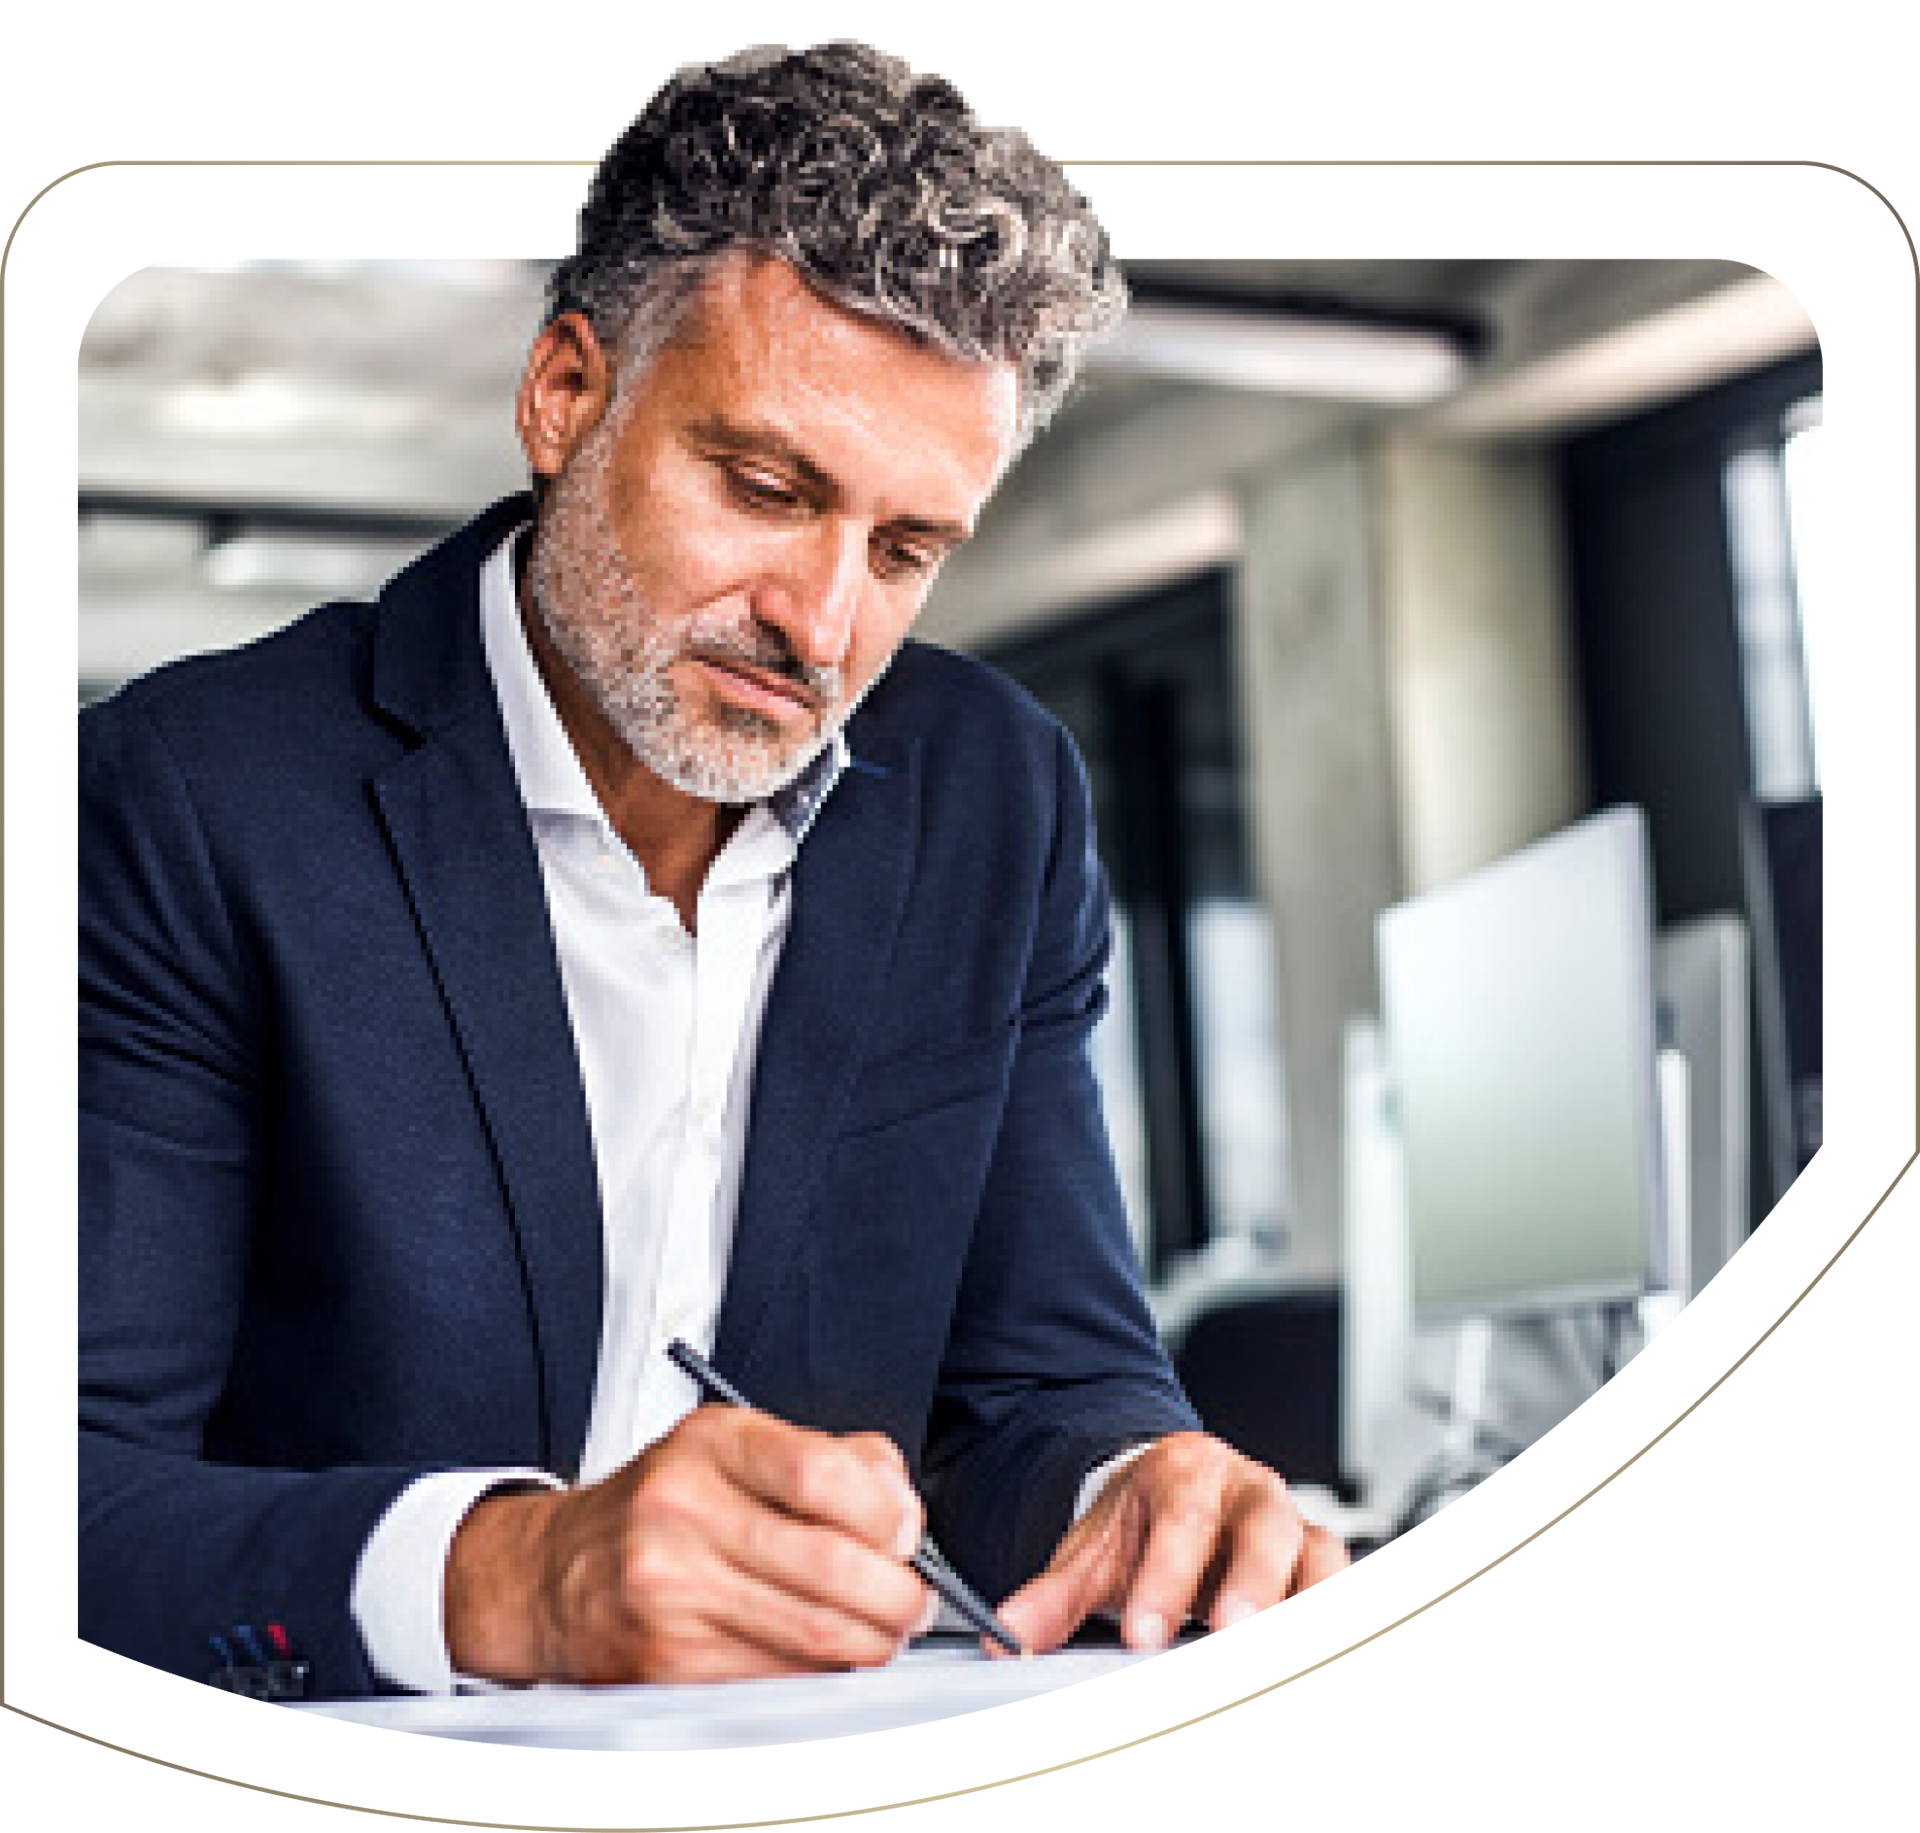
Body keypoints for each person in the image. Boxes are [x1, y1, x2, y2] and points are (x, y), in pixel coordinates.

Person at [78, 38, 1345, 1701]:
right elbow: (67, 1483)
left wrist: (1134, 1488)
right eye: (764, 489)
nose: (821, 629)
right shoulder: (190, 796)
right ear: (564, 393)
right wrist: (511, 1578)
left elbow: (1039, 1385)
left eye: (904, 551)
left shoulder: (995, 799)